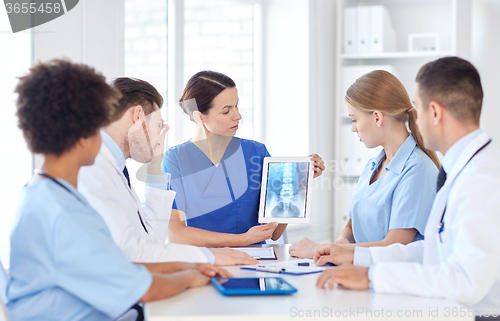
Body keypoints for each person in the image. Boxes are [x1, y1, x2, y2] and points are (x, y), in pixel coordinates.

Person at [7, 59, 230, 320]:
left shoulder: (49, 196)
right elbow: (139, 287)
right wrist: (190, 276)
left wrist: (187, 265)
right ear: (84, 132)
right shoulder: (64, 211)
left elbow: (117, 267)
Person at [315, 57, 500, 316]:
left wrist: (373, 278)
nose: (414, 117)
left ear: (434, 113)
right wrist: (358, 259)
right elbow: (432, 250)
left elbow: (466, 282)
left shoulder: (483, 179)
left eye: (418, 108)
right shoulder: (462, 169)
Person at [77, 77, 257, 265]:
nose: (159, 136)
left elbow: (151, 238)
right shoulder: (92, 170)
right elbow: (131, 253)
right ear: (137, 116)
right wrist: (210, 257)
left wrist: (155, 164)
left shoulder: (115, 169)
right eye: (157, 126)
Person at [162, 71, 325, 247]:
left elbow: (275, 233)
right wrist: (242, 240)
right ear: (199, 117)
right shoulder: (176, 159)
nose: (238, 116)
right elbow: (175, 234)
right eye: (226, 111)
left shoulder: (256, 152)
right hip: (204, 267)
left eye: (236, 106)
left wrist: (297, 181)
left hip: (252, 266)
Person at [289, 70, 439, 259]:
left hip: (396, 280)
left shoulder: (418, 171)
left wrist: (326, 249)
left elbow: (393, 246)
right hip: (361, 274)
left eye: (354, 119)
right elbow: (351, 227)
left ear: (377, 117)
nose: (353, 128)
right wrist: (341, 242)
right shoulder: (373, 165)